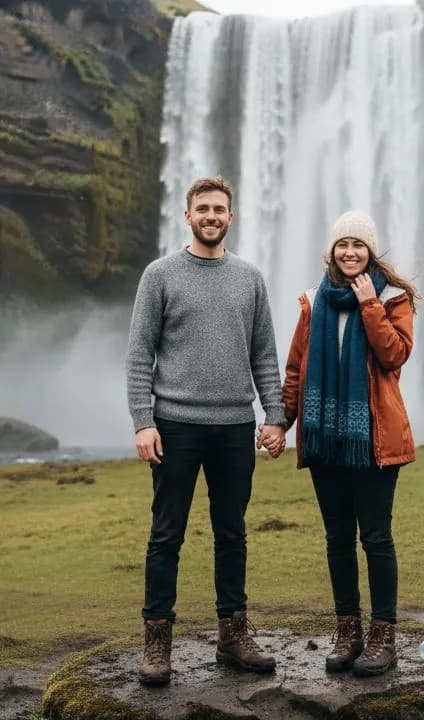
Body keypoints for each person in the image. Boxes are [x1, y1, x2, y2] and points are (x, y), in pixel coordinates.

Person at [125, 176, 288, 686]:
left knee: (232, 532)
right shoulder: (160, 275)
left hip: (235, 425)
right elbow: (138, 353)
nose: (211, 216)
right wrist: (143, 421)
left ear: (231, 217)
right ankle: (157, 642)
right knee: (166, 534)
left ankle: (232, 635)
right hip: (175, 426)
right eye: (203, 208)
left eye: (219, 208)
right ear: (188, 215)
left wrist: (275, 415)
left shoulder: (250, 278)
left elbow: (264, 354)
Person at [281, 210, 418, 677]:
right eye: (343, 244)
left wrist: (368, 306)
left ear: (370, 252)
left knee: (375, 537)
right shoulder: (313, 303)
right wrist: (281, 422)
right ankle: (347, 631)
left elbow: (394, 355)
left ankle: (383, 636)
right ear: (333, 251)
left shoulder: (393, 300)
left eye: (359, 244)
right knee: (338, 537)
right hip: (326, 440)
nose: (350, 251)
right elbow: (296, 370)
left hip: (375, 441)